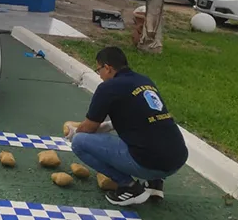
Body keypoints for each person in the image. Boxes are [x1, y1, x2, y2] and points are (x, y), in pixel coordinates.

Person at [66, 46, 188, 206]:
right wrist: (107, 126)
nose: (100, 76)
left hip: (148, 162)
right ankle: (155, 184)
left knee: (79, 142)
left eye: (99, 70)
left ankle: (129, 187)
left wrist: (74, 132)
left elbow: (89, 128)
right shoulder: (145, 81)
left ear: (107, 68)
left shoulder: (107, 88)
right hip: (177, 158)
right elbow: (143, 117)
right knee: (153, 130)